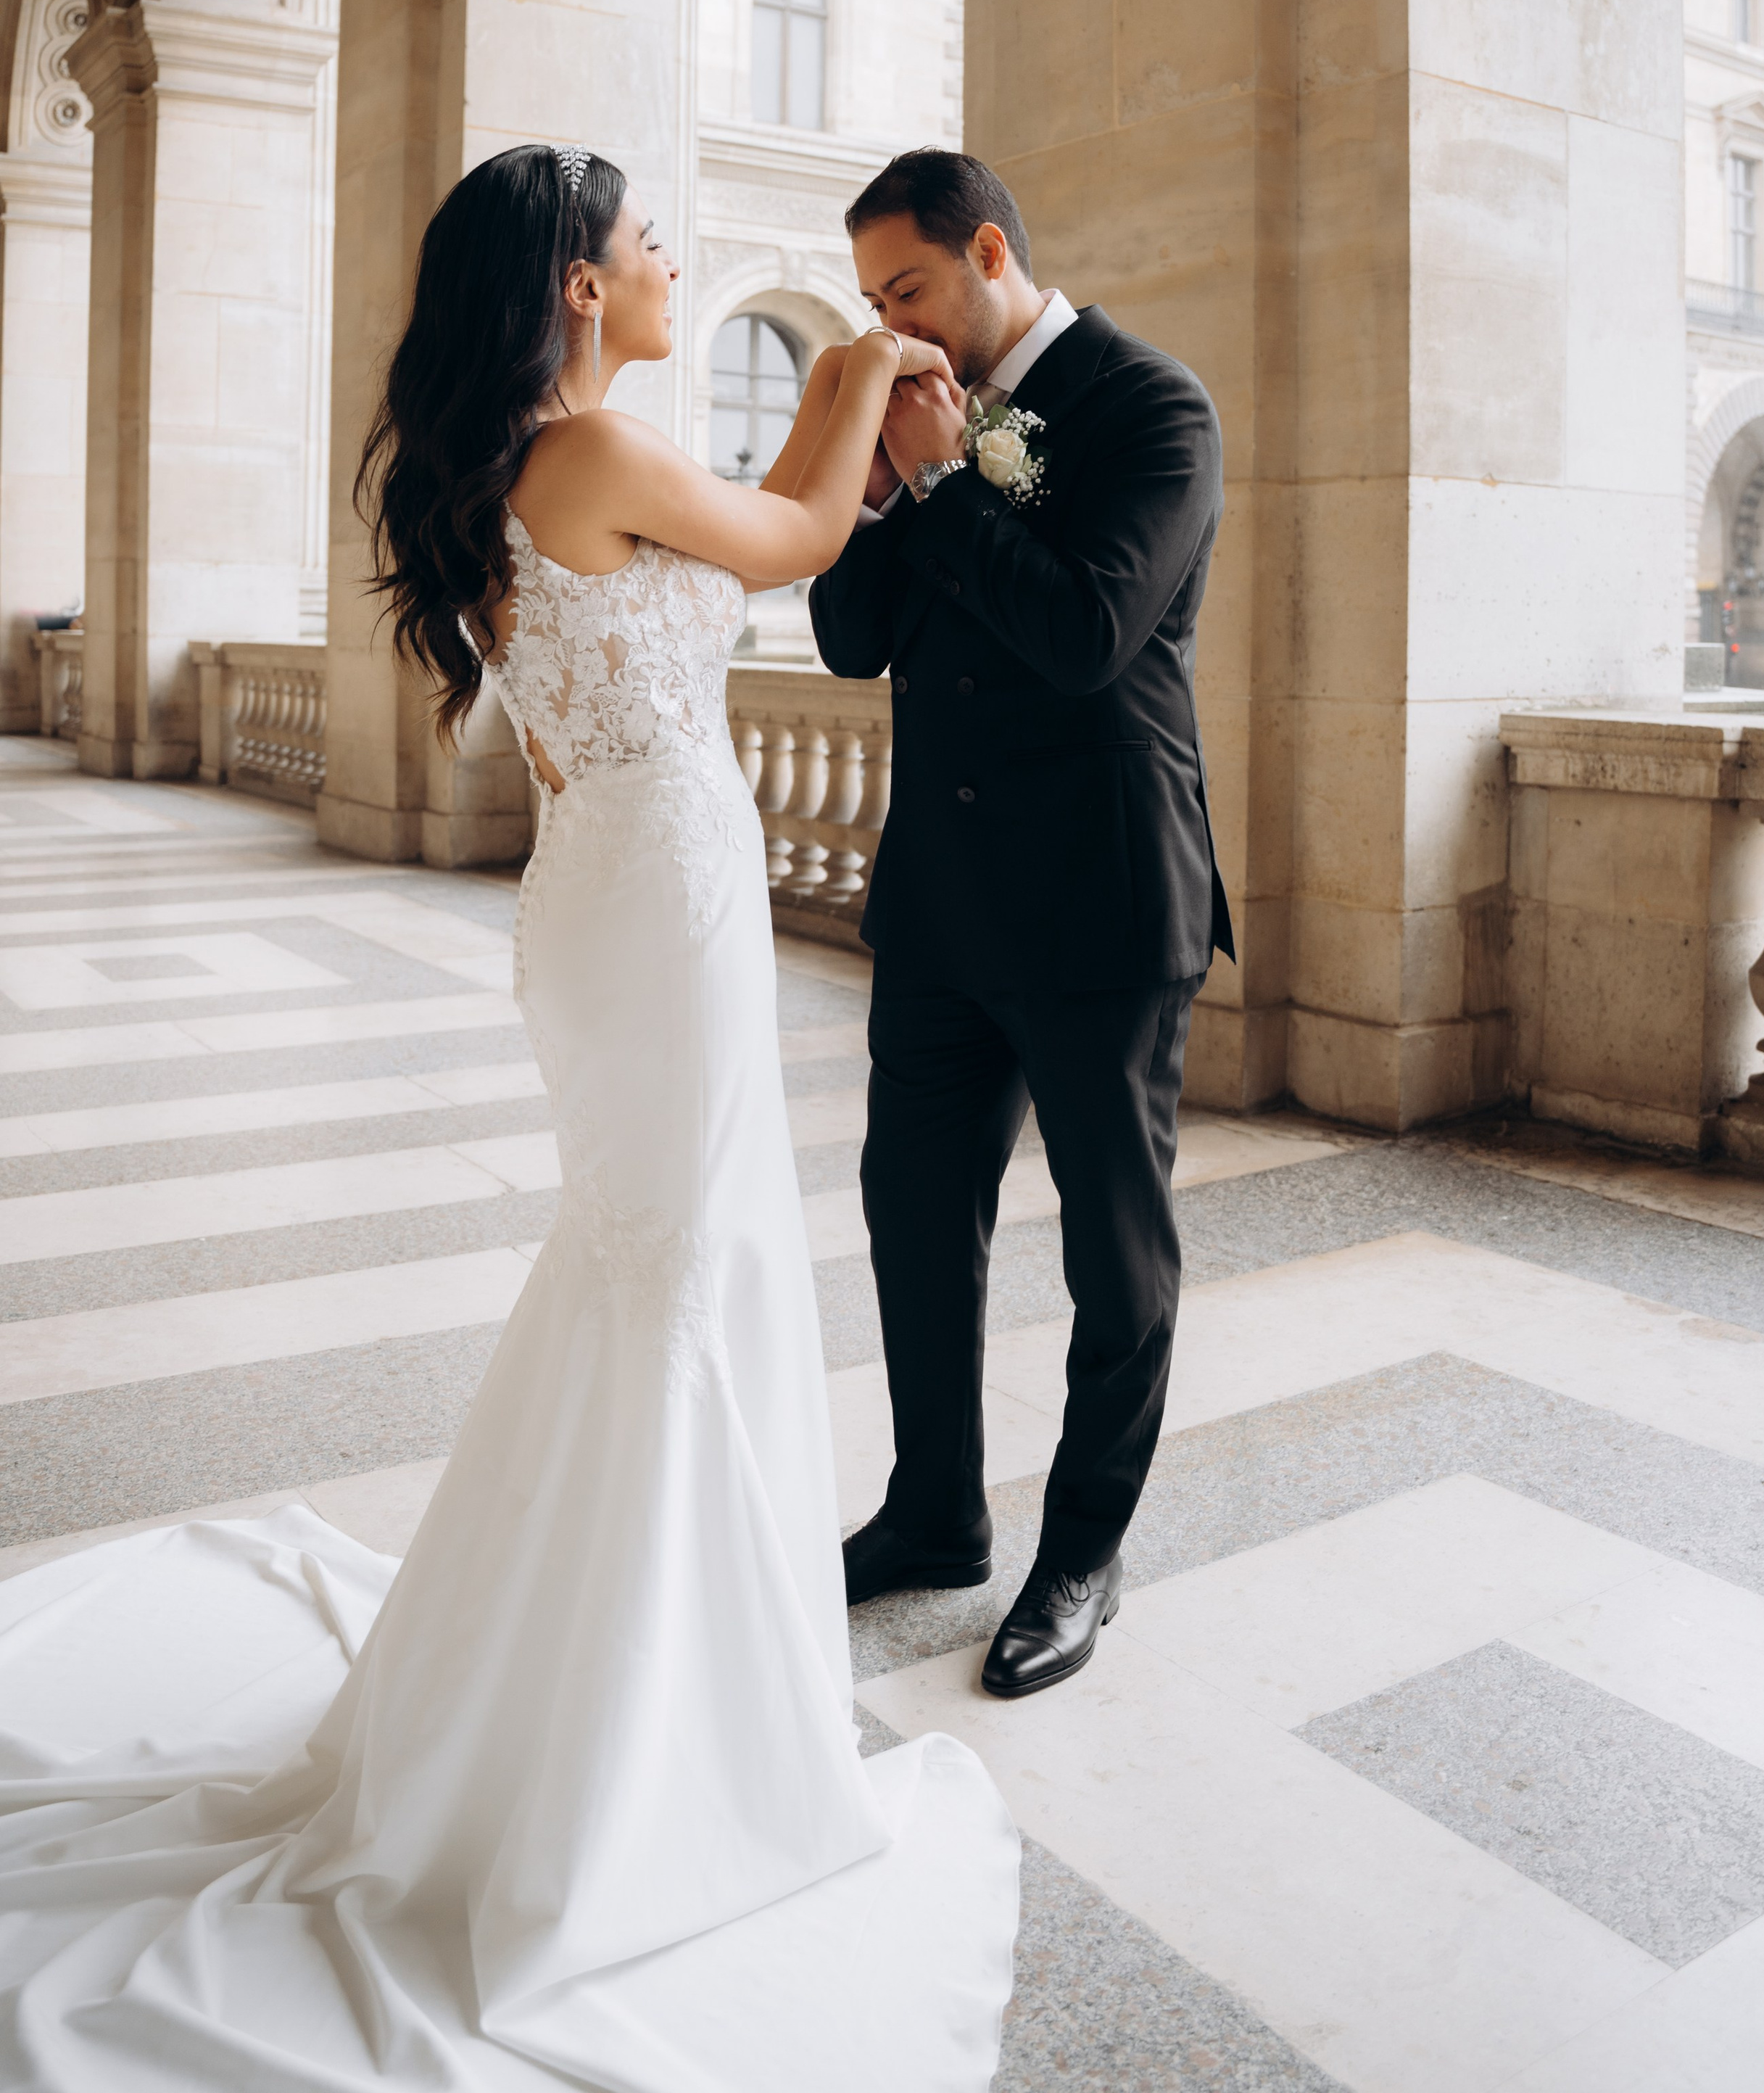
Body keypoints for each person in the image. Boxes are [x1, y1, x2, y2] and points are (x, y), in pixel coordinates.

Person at [0, 144, 1018, 2090]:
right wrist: (855, 370)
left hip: (614, 895)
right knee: (681, 1275)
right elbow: (802, 545)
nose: (666, 266)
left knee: (650, 1272)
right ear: (570, 285)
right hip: (662, 897)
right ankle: (668, 1749)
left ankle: (611, 1691)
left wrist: (853, 394)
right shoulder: (588, 459)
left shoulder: (542, 468)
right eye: (644, 248)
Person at [810, 147, 1233, 1702]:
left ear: (988, 254)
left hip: (1102, 902)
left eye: (904, 289)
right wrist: (867, 490)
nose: (888, 324)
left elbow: (1079, 634)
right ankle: (932, 1514)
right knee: (915, 1225)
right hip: (935, 904)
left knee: (1115, 1261)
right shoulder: (916, 423)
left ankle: (1080, 1552)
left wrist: (939, 476)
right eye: (868, 302)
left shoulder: (1151, 406)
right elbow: (853, 642)